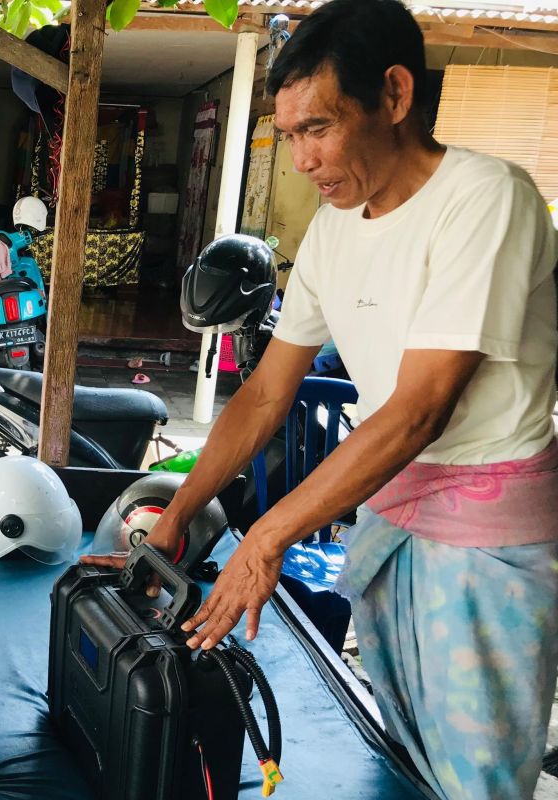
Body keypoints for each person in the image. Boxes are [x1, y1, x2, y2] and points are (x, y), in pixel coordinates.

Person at [84, 1, 558, 798]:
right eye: (289, 133)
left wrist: (265, 539)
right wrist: (173, 519)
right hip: (392, 512)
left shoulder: (486, 198)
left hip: (485, 543)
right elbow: (267, 391)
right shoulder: (338, 226)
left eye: (318, 128)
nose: (300, 158)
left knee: (478, 779)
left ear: (396, 95)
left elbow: (417, 411)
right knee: (404, 753)